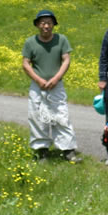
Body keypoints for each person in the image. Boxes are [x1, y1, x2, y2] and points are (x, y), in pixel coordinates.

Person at [22, 9, 81, 162]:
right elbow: (25, 63)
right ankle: (41, 150)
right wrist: (38, 80)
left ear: (53, 24)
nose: (46, 26)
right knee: (37, 116)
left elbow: (66, 60)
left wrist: (56, 78)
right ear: (37, 25)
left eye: (49, 23)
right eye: (42, 23)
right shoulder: (30, 42)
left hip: (57, 85)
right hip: (37, 86)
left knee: (61, 115)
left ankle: (68, 150)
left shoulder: (61, 40)